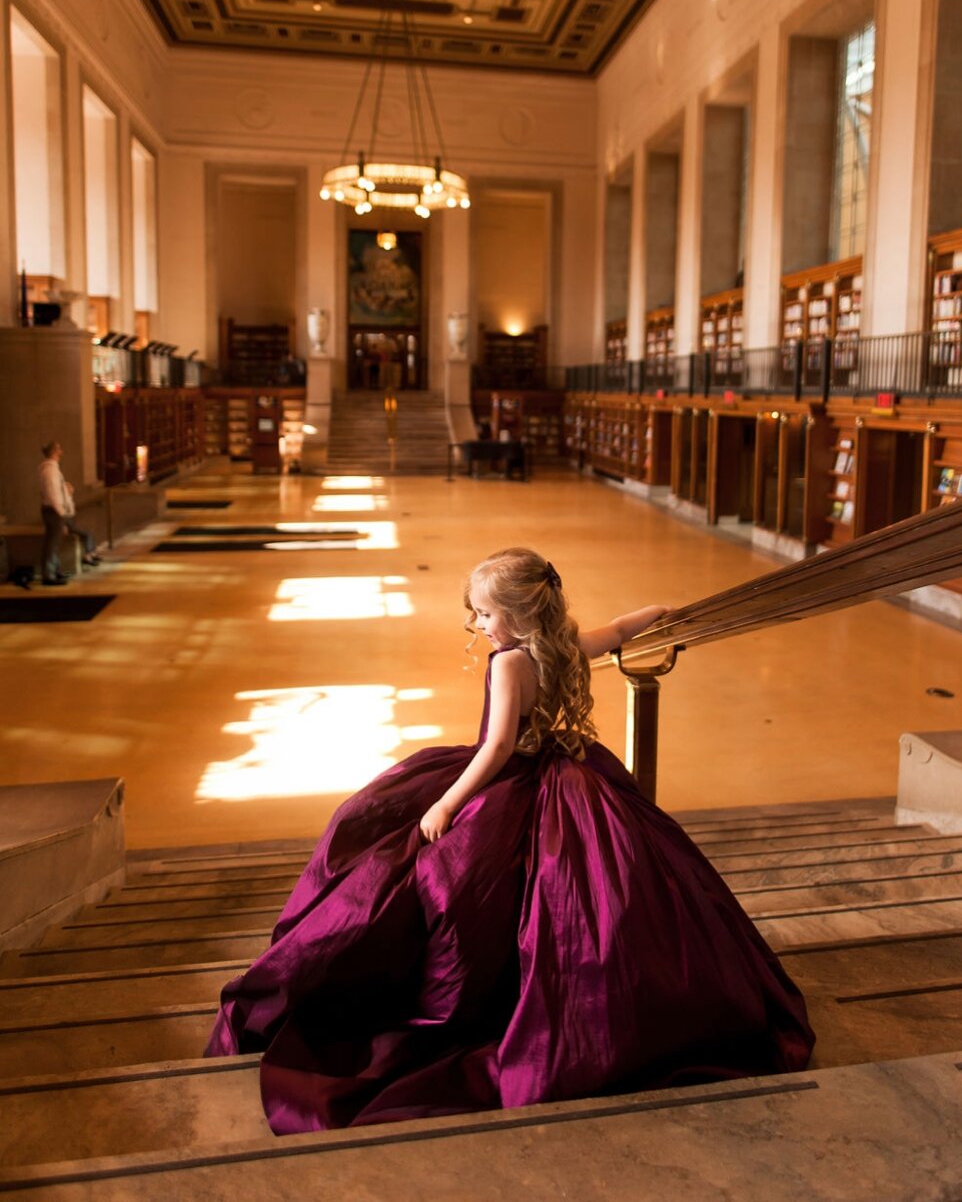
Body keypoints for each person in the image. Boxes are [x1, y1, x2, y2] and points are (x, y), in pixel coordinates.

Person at [205, 548, 814, 1133]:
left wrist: (446, 802)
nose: (477, 623)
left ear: (520, 614)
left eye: (486, 613)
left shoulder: (510, 663)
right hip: (571, 773)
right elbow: (621, 630)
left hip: (511, 782)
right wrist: (661, 613)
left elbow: (497, 748)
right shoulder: (562, 644)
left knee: (411, 859)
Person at [39, 441, 100, 585]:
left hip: (55, 512)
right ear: (54, 451)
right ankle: (49, 575)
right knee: (52, 544)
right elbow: (53, 494)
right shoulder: (50, 471)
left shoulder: (52, 469)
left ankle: (55, 571)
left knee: (54, 544)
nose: (62, 451)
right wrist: (62, 515)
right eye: (59, 448)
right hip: (54, 512)